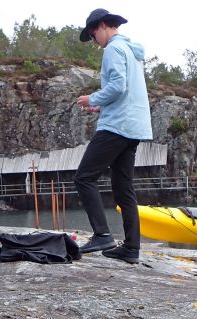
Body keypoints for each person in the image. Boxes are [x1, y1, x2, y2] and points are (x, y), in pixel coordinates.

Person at [73, 8, 153, 264]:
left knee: (84, 177)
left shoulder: (114, 50)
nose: (94, 41)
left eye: (93, 33)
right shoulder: (131, 51)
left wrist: (92, 98)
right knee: (123, 188)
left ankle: (102, 235)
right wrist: (101, 105)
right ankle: (131, 248)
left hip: (117, 126)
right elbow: (124, 91)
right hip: (134, 127)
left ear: (104, 26)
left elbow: (118, 86)